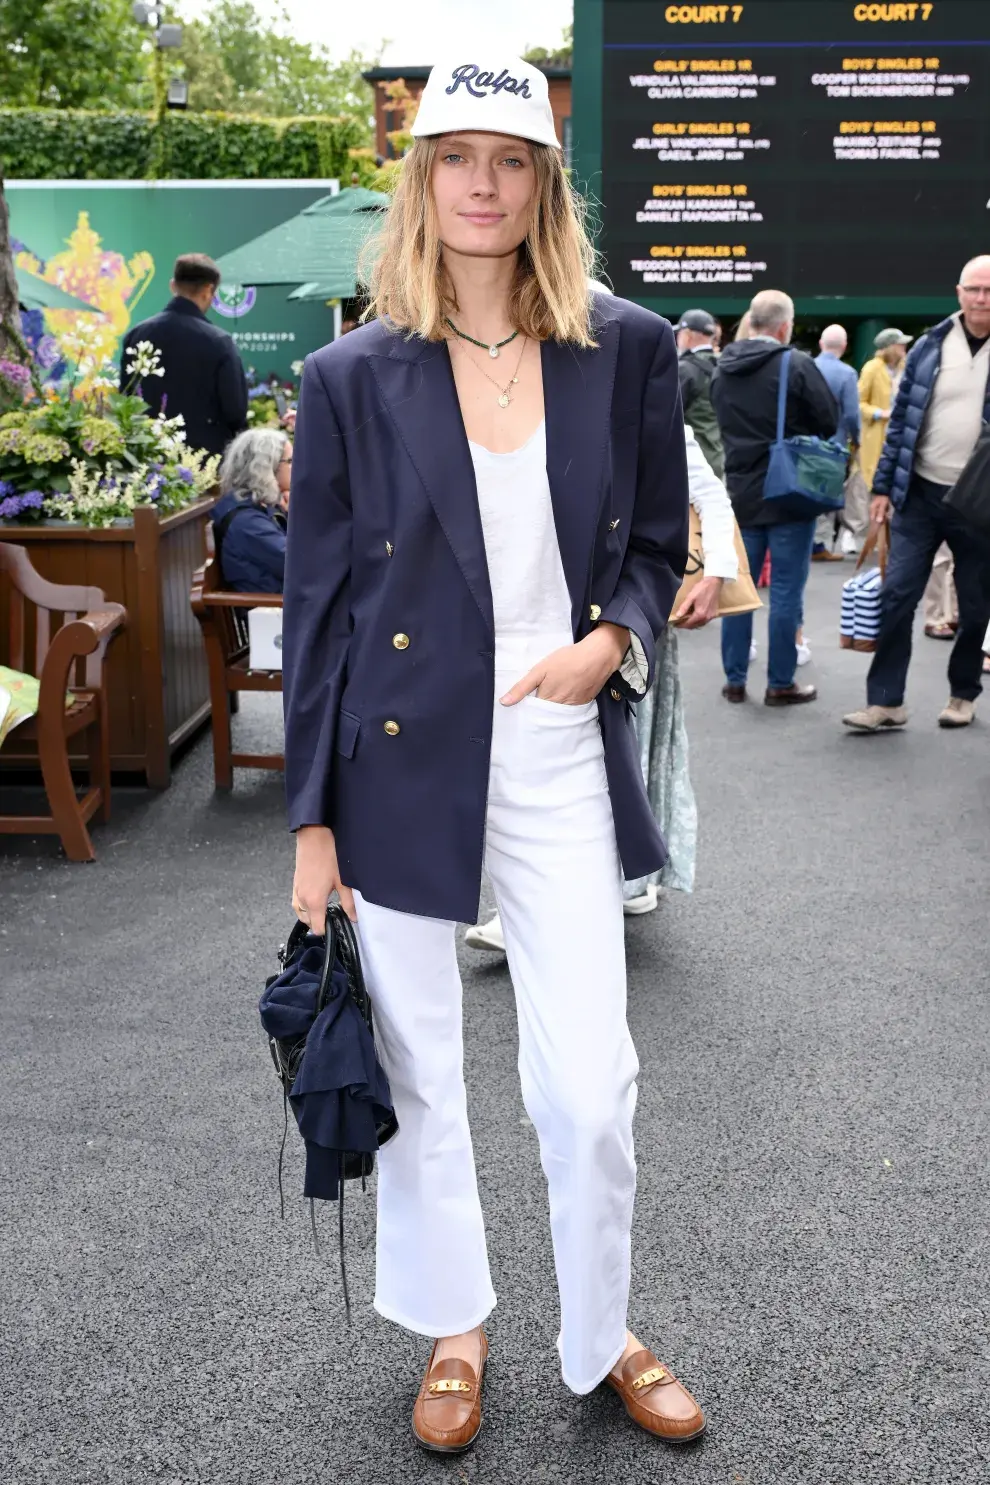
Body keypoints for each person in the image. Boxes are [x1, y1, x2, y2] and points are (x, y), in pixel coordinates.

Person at [283, 55, 702, 1453]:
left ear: (542, 183)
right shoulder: (348, 374)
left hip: (553, 738)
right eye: (454, 155)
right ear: (421, 179)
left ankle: (602, 1330)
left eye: (508, 158)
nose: (480, 183)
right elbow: (323, 607)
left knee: (591, 1083)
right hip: (396, 756)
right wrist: (310, 826)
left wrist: (609, 643)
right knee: (416, 1072)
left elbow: (651, 548)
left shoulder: (629, 346)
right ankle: (456, 1325)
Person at [466, 418, 737, 953]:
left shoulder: (633, 391)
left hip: (632, 613)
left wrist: (716, 575)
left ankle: (605, 886)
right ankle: (587, 889)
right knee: (580, 753)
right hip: (565, 614)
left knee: (620, 750)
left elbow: (709, 494)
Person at [843, 255, 990, 733]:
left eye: (989, 291)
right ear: (959, 292)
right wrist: (883, 487)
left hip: (980, 503)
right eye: (974, 289)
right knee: (897, 595)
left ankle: (963, 693)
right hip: (921, 495)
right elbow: (902, 422)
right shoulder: (930, 345)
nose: (981, 299)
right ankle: (887, 702)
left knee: (974, 606)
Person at [711, 288, 838, 706]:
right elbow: (828, 419)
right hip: (789, 493)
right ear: (784, 326)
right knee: (785, 591)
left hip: (741, 493)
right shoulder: (795, 364)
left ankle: (734, 679)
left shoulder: (722, 367)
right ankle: (780, 683)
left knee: (738, 589)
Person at [120, 253, 248, 456]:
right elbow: (235, 412)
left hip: (145, 459)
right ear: (208, 290)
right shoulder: (219, 342)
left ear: (173, 286)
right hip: (203, 464)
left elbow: (125, 400)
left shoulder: (137, 334)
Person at [211, 428, 291, 593]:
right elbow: (302, 564)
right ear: (267, 467)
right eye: (290, 461)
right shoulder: (247, 522)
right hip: (271, 613)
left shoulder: (261, 505)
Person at [812, 324, 861, 560]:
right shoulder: (847, 374)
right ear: (844, 347)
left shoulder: (806, 366)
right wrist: (858, 440)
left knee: (807, 489)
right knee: (828, 494)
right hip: (835, 444)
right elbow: (852, 414)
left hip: (807, 442)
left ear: (821, 344)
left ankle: (810, 542)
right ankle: (820, 545)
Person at [858, 328, 912, 489]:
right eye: (900, 344)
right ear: (890, 347)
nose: (904, 347)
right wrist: (879, 413)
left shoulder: (907, 367)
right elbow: (859, 402)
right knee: (872, 480)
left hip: (901, 433)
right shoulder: (872, 368)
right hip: (877, 435)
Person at [674, 308, 724, 478]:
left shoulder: (684, 369)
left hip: (693, 463)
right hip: (720, 459)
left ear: (686, 335)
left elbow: (670, 416)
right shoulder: (725, 365)